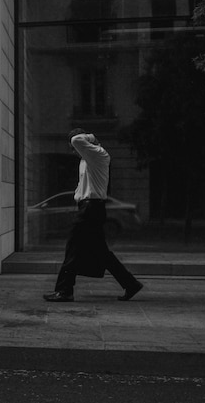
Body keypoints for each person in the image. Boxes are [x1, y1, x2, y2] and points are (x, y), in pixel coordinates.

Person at [43, 128, 144, 302]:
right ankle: (131, 284)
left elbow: (76, 140)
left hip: (91, 209)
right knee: (102, 253)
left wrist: (90, 137)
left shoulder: (99, 154)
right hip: (89, 208)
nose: (73, 150)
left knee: (73, 247)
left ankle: (65, 290)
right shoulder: (86, 159)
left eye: (72, 148)